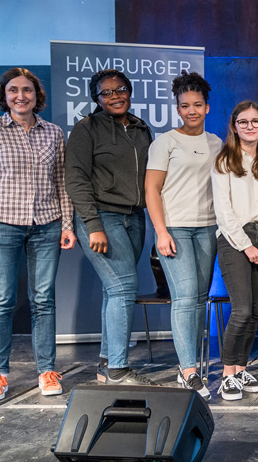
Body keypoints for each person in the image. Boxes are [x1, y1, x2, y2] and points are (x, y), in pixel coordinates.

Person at [0, 68, 76, 402]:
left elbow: (62, 182)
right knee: (2, 301)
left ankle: (47, 370)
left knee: (43, 299)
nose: (21, 96)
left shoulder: (54, 133)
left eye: (27, 90)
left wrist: (67, 224)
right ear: (5, 95)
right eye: (13, 90)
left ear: (36, 95)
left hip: (47, 224)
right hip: (0, 223)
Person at [65, 68, 153, 385]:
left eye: (120, 89)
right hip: (102, 217)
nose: (115, 96)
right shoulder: (86, 129)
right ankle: (117, 368)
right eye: (107, 92)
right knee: (123, 288)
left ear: (129, 91)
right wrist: (93, 225)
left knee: (113, 290)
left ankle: (106, 363)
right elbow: (75, 180)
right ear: (97, 99)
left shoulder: (142, 129)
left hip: (135, 218)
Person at [145, 71, 223, 400]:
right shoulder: (165, 142)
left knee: (199, 299)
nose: (191, 110)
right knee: (185, 295)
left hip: (207, 228)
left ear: (207, 107)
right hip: (174, 228)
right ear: (177, 108)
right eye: (184, 105)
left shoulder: (217, 143)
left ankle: (190, 365)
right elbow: (151, 189)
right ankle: (188, 371)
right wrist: (160, 232)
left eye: (197, 104)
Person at [211, 100, 258, 401]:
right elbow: (224, 213)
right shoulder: (224, 161)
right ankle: (227, 375)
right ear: (234, 127)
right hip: (235, 241)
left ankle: (241, 369)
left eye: (255, 121)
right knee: (241, 311)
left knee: (255, 313)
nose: (250, 126)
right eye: (243, 122)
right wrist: (247, 246)